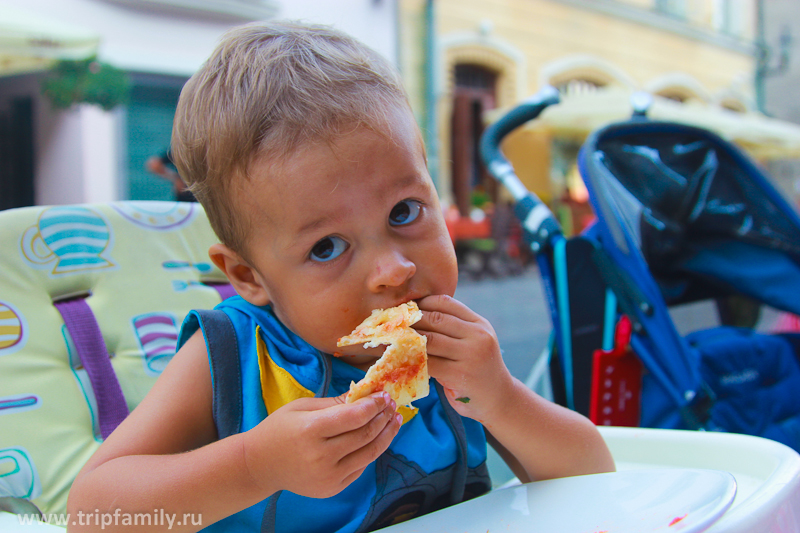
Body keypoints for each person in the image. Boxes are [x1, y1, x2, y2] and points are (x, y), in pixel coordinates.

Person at [67, 21, 614, 532]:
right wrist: (257, 465)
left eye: (404, 212)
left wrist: (499, 398)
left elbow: (592, 476)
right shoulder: (232, 356)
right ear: (247, 275)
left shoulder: (454, 356)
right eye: (327, 247)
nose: (393, 269)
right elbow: (92, 513)